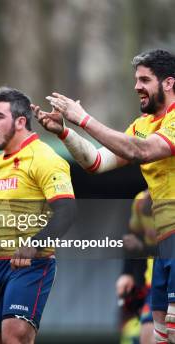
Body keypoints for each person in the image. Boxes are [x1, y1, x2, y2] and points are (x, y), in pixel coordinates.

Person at [34, 49, 175, 343]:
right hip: (163, 244)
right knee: (161, 335)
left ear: (169, 83)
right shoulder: (142, 126)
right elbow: (96, 163)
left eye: (145, 79)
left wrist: (83, 118)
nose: (137, 86)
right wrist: (65, 133)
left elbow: (142, 151)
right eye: (136, 79)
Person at [0, 87, 76, 343]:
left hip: (30, 266)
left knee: (15, 335)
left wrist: (33, 246)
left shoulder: (45, 158)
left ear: (20, 121)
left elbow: (67, 212)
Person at [116, 190, 155, 344]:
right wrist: (127, 273)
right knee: (147, 336)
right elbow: (133, 236)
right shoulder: (140, 200)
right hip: (156, 283)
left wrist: (143, 248)